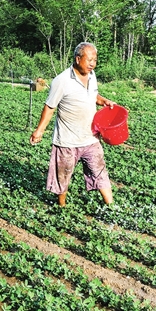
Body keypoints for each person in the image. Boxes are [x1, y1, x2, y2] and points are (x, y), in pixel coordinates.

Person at [30, 42, 116, 207]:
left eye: (95, 60)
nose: (93, 63)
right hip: (67, 141)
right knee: (63, 177)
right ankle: (62, 207)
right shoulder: (61, 81)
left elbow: (94, 95)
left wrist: (103, 101)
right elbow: (49, 107)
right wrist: (39, 131)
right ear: (78, 59)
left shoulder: (92, 75)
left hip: (91, 137)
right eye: (89, 60)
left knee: (100, 172)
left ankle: (111, 207)